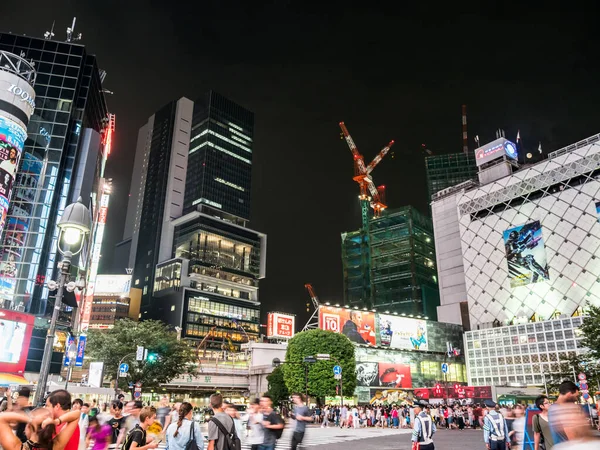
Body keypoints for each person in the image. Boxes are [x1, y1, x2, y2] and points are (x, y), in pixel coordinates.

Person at [0, 407, 80, 450]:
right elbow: (77, 414)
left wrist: (29, 419)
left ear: (28, 426)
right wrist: (56, 421)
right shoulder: (56, 446)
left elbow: (1, 417)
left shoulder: (17, 447)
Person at [548, 381, 587, 445]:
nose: (576, 399)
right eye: (576, 396)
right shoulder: (563, 409)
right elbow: (573, 439)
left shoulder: (552, 408)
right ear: (569, 393)